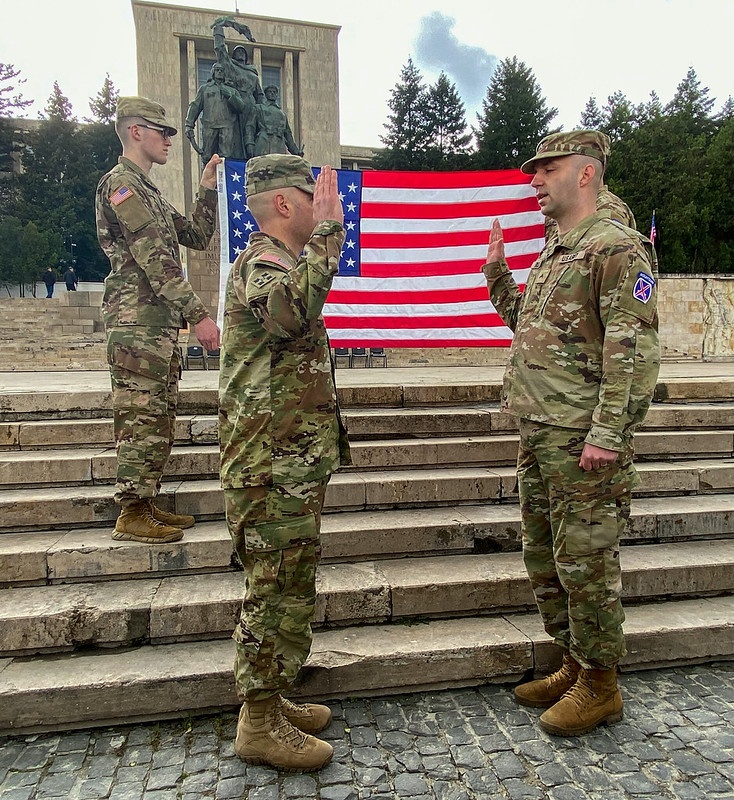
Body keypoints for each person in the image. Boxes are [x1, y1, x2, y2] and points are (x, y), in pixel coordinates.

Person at [483, 130, 660, 737]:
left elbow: (631, 351)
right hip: (542, 434)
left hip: (584, 439)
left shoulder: (616, 250)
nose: (534, 181)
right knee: (546, 557)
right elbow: (530, 326)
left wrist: (608, 434)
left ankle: (601, 684)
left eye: (546, 169)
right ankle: (573, 663)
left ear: (585, 174)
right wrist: (497, 278)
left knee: (586, 563)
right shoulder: (558, 252)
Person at [218, 155, 350, 771]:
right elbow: (288, 314)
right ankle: (258, 721)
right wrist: (329, 238)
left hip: (289, 463)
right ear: (287, 205)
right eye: (312, 196)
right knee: (272, 592)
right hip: (271, 467)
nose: (324, 204)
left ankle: (271, 699)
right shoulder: (264, 262)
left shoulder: (284, 262)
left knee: (290, 586)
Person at [95, 96, 221, 544]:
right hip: (137, 326)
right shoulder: (121, 187)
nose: (169, 139)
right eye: (161, 131)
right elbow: (155, 258)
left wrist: (207, 187)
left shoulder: (148, 191)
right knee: (140, 417)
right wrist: (200, 316)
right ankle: (130, 512)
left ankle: (145, 503)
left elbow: (195, 235)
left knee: (159, 417)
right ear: (135, 132)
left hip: (157, 326)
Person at [212, 18, 264, 159]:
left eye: (242, 52)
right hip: (236, 104)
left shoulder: (252, 73)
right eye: (237, 52)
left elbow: (259, 94)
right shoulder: (231, 67)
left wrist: (263, 112)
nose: (240, 54)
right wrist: (218, 30)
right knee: (235, 141)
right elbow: (221, 51)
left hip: (251, 107)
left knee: (251, 138)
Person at [185, 62, 246, 163]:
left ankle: (223, 177)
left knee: (225, 156)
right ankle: (207, 177)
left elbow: (241, 107)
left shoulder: (232, 90)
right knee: (207, 156)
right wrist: (189, 124)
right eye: (217, 70)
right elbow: (195, 106)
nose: (220, 72)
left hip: (227, 126)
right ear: (213, 72)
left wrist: (230, 96)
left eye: (222, 70)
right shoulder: (205, 89)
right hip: (210, 125)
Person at [254, 85, 304, 157]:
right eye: (270, 92)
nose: (272, 93)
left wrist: (296, 152)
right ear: (265, 94)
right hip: (263, 142)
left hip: (279, 144)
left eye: (274, 92)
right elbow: (250, 127)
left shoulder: (282, 114)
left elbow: (288, 135)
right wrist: (249, 144)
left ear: (277, 95)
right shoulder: (259, 108)